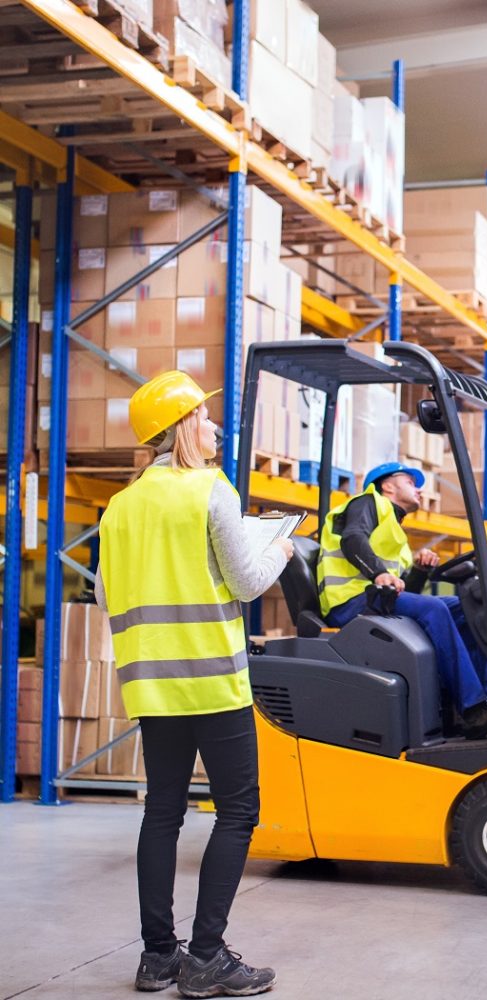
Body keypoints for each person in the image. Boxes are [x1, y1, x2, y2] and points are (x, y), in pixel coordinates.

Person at [95, 371, 292, 997]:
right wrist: (282, 552)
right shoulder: (210, 490)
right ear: (182, 427)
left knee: (162, 814)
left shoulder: (119, 509)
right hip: (212, 682)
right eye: (204, 417)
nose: (212, 426)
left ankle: (158, 957)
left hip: (152, 687)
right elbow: (245, 581)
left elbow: (105, 592)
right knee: (238, 814)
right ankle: (206, 957)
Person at [317, 462, 487, 738]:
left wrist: (420, 571)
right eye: (411, 482)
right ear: (387, 485)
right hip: (349, 603)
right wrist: (378, 573)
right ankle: (472, 710)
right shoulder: (367, 503)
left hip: (374, 599)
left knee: (466, 607)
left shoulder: (394, 530)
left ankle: (485, 698)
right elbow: (352, 539)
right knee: (435, 608)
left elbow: (403, 592)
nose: (420, 489)